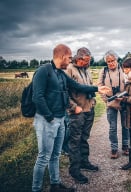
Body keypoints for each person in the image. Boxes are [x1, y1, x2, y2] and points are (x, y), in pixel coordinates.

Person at [31, 44, 110, 192]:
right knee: (43, 157)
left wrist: (97, 89)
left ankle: (55, 185)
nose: (70, 60)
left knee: (55, 155)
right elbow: (37, 97)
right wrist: (50, 118)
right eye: (69, 57)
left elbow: (78, 86)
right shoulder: (43, 71)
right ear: (62, 56)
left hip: (60, 119)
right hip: (48, 120)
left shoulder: (60, 73)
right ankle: (36, 189)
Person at [64, 47, 98, 184]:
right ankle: (75, 170)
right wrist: (73, 107)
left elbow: (90, 85)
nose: (88, 63)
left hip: (89, 109)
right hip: (77, 112)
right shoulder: (69, 69)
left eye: (89, 60)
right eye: (86, 61)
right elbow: (64, 92)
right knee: (75, 141)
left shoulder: (87, 69)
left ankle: (84, 162)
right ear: (78, 59)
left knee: (84, 138)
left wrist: (93, 101)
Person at [97, 50, 129, 159]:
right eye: (108, 61)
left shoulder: (124, 69)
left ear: (117, 59)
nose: (110, 63)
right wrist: (106, 100)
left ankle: (125, 146)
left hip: (124, 101)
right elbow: (100, 86)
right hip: (111, 103)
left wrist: (125, 97)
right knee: (112, 127)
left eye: (112, 60)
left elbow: (130, 84)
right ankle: (114, 148)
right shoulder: (104, 71)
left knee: (125, 125)